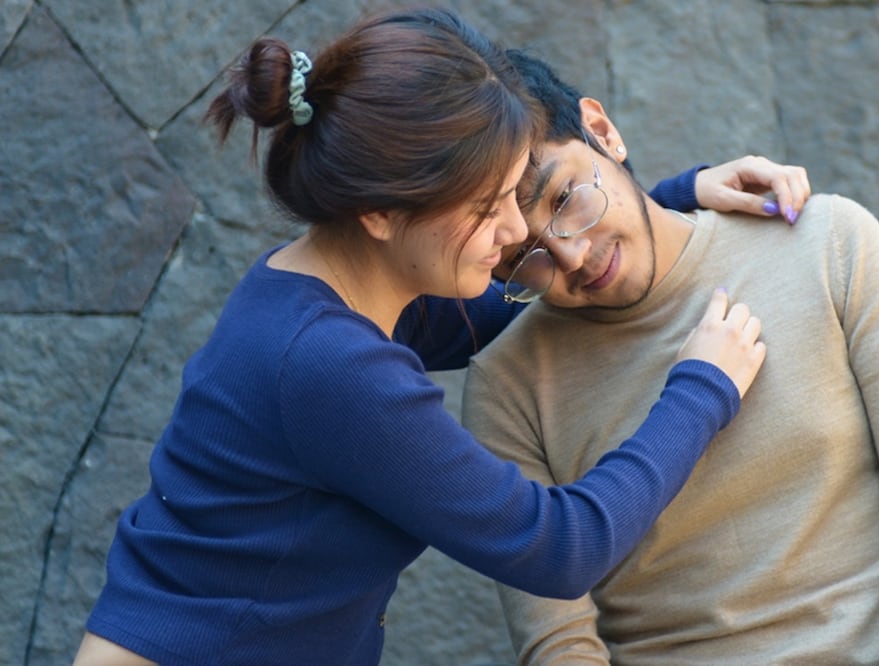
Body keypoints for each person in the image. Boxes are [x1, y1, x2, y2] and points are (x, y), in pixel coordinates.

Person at [70, 8, 821, 665]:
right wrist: (701, 387)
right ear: (381, 213)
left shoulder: (325, 292)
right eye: (487, 205)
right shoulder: (330, 366)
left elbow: (515, 304)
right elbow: (562, 548)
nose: (516, 229)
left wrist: (664, 204)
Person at [462, 49, 879, 665]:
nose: (572, 256)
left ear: (603, 132)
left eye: (565, 200)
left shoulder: (828, 245)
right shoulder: (508, 386)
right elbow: (560, 646)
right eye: (525, 256)